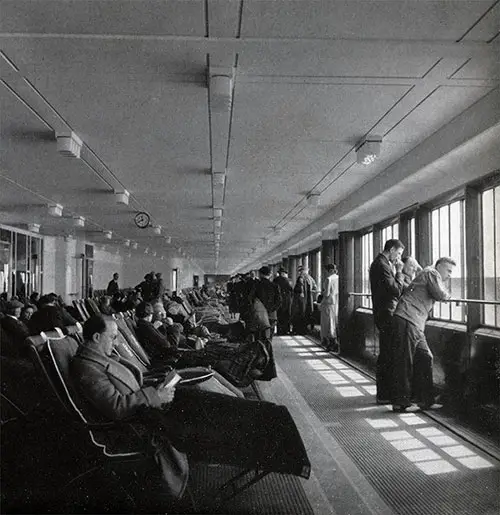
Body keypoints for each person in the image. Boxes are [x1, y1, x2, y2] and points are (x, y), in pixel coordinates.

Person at [71, 315, 311, 501]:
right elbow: (117, 408)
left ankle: (271, 419)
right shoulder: (88, 369)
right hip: (146, 419)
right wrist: (157, 394)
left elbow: (130, 386)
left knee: (215, 404)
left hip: (154, 405)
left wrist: (160, 390)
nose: (115, 343)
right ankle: (278, 441)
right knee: (217, 418)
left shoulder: (101, 358)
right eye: (112, 337)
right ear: (95, 338)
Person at [392, 257, 456, 412]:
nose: (450, 275)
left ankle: (426, 400)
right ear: (439, 266)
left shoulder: (428, 273)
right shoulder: (432, 273)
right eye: (448, 270)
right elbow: (440, 294)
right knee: (406, 360)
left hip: (415, 322)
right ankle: (401, 403)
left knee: (426, 357)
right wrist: (448, 295)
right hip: (408, 318)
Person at [369, 239, 405, 404]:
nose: (398, 258)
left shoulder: (380, 263)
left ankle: (385, 393)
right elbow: (395, 291)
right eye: (398, 253)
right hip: (386, 313)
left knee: (387, 352)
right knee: (388, 354)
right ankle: (384, 394)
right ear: (391, 250)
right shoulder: (382, 265)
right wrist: (399, 272)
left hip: (382, 312)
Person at [291, 266, 317, 335]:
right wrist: (310, 292)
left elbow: (300, 287)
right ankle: (305, 330)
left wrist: (301, 293)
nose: (300, 272)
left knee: (300, 313)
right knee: (307, 313)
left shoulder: (301, 278)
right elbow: (315, 288)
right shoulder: (310, 278)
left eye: (300, 271)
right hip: (309, 299)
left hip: (301, 300)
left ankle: (299, 330)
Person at [320, 264, 339, 354]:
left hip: (328, 303)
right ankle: (334, 342)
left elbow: (326, 293)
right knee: (333, 322)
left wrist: (322, 293)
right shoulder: (338, 278)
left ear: (330, 270)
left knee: (327, 323)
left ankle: (331, 343)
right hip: (335, 303)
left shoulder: (329, 279)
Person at [274, 268, 293, 335]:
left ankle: (279, 331)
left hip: (278, 300)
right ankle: (286, 330)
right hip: (287, 300)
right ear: (284, 273)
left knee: (279, 315)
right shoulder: (288, 280)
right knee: (287, 315)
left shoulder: (275, 280)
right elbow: (291, 289)